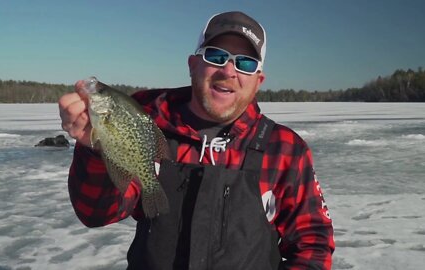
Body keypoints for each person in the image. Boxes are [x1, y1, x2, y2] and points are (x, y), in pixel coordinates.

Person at [59, 11, 334, 270]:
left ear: (258, 81)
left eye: (245, 63)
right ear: (193, 65)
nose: (229, 71)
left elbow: (313, 242)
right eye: (216, 56)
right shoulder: (147, 126)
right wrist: (98, 149)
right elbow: (97, 212)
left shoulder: (285, 149)